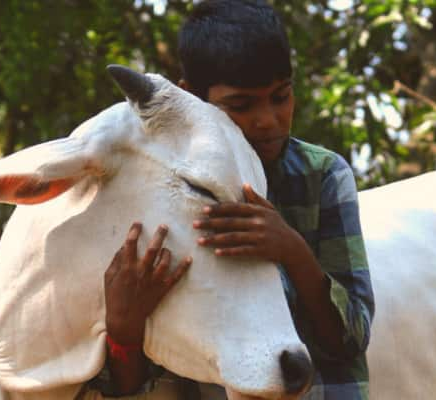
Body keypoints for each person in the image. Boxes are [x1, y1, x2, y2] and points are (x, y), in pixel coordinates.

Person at [90, 1, 374, 398]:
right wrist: (123, 330)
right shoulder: (158, 191)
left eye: (281, 96)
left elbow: (352, 337)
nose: (268, 119)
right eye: (241, 105)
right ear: (191, 99)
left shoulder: (323, 176)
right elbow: (135, 382)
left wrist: (292, 250)